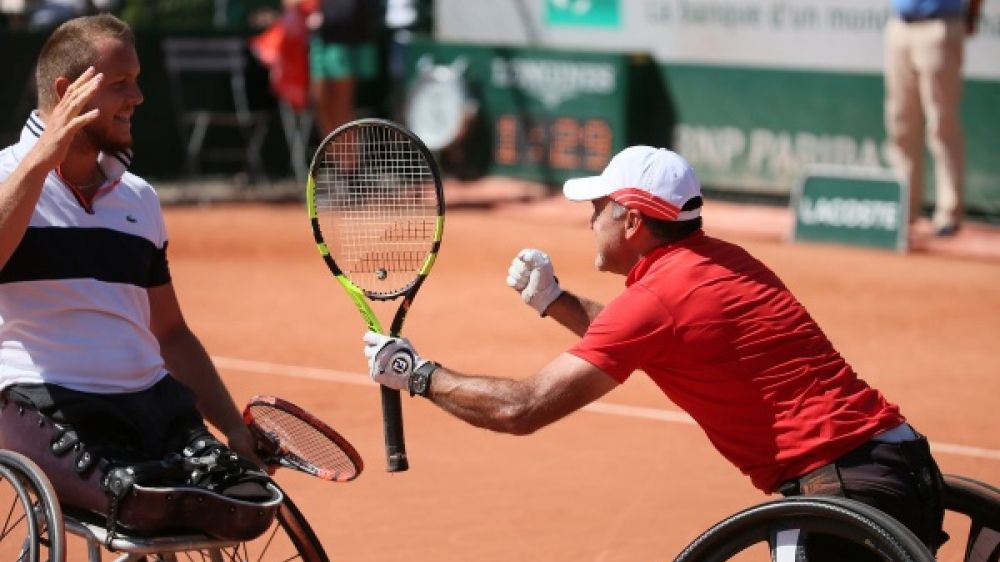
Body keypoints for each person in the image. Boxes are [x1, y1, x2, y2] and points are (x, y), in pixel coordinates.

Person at [362, 146, 949, 559]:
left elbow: (525, 408)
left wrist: (417, 374)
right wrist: (555, 300)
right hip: (903, 471)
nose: (590, 218)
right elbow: (656, 339)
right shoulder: (724, 262)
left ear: (633, 220)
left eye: (599, 207)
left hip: (843, 497)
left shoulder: (659, 297)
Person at [0, 14, 270, 533]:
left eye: (137, 81)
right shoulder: (8, 177)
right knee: (145, 503)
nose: (139, 97)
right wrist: (42, 158)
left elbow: (170, 332)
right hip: (49, 408)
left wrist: (233, 428)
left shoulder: (139, 199)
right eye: (121, 84)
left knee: (250, 501)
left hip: (154, 411)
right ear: (67, 92)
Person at [885, 0, 985, 237]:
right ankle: (904, 210)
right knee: (900, 123)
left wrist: (971, 15)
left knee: (942, 123)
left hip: (939, 26)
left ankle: (948, 213)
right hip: (900, 26)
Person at [307, 0, 380, 138]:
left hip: (344, 39)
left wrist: (326, 17)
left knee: (341, 106)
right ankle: (334, 157)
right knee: (319, 99)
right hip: (321, 40)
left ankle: (348, 159)